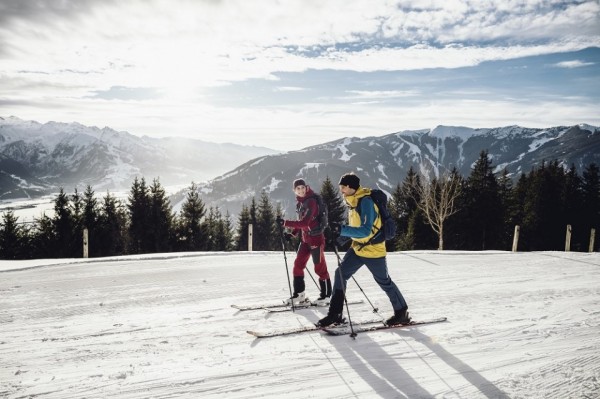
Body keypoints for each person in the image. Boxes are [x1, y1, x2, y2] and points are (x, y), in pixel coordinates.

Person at [316, 173, 410, 327]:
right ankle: (335, 314)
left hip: (373, 251)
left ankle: (402, 313)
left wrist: (341, 229)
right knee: (340, 274)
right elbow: (354, 227)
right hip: (358, 248)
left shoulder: (365, 202)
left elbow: (366, 230)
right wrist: (338, 237)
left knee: (384, 281)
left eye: (343, 188)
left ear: (351, 187)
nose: (341, 191)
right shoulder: (352, 201)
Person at [276, 178, 331, 306]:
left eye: (302, 187)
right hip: (305, 240)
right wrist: (293, 233)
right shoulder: (300, 203)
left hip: (316, 239)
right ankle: (299, 294)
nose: (300, 190)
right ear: (294, 190)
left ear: (306, 187)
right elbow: (301, 222)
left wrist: (285, 223)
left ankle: (326, 296)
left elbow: (305, 223)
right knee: (298, 266)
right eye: (297, 188)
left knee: (320, 268)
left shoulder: (311, 201)